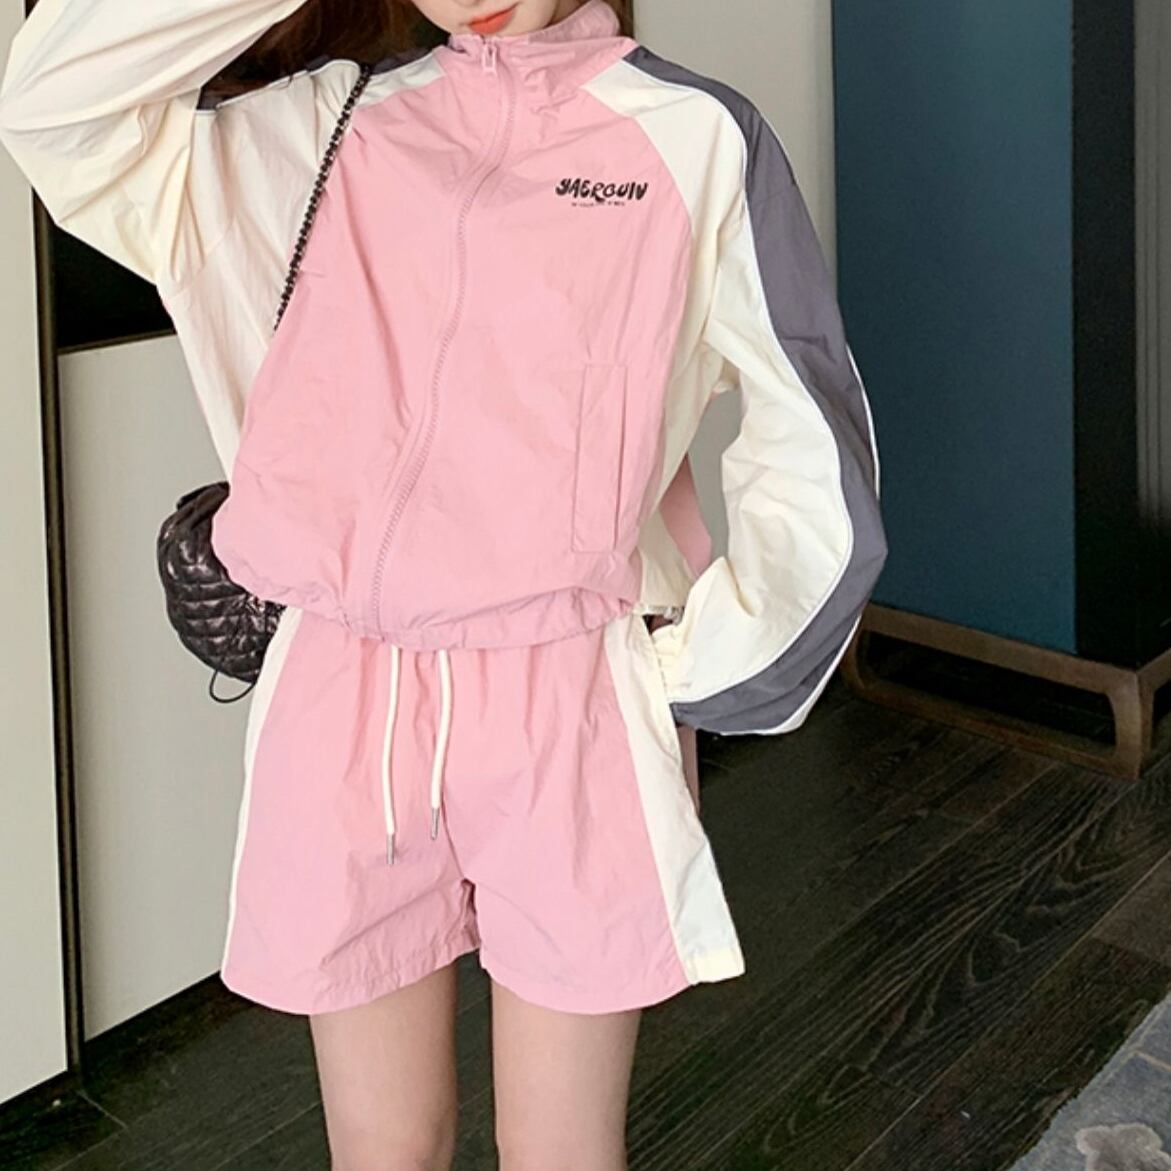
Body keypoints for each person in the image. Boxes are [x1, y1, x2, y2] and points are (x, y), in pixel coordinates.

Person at [0, 0, 887, 1167]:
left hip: (568, 698)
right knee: (382, 1148)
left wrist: (704, 663)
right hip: (346, 692)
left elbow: (805, 423)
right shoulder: (333, 128)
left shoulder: (693, 137)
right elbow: (55, 108)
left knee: (561, 1150)